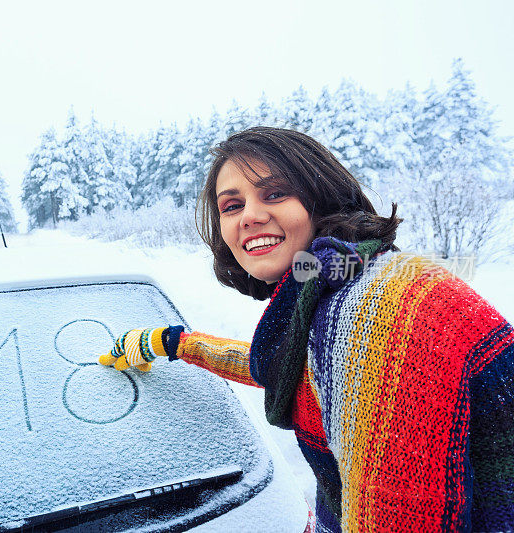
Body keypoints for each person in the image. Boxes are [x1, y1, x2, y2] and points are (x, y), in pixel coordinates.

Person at [98, 127, 514, 532]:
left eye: (275, 193)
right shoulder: (344, 282)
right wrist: (174, 343)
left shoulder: (377, 310)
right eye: (232, 205)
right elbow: (296, 366)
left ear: (322, 198)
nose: (251, 217)